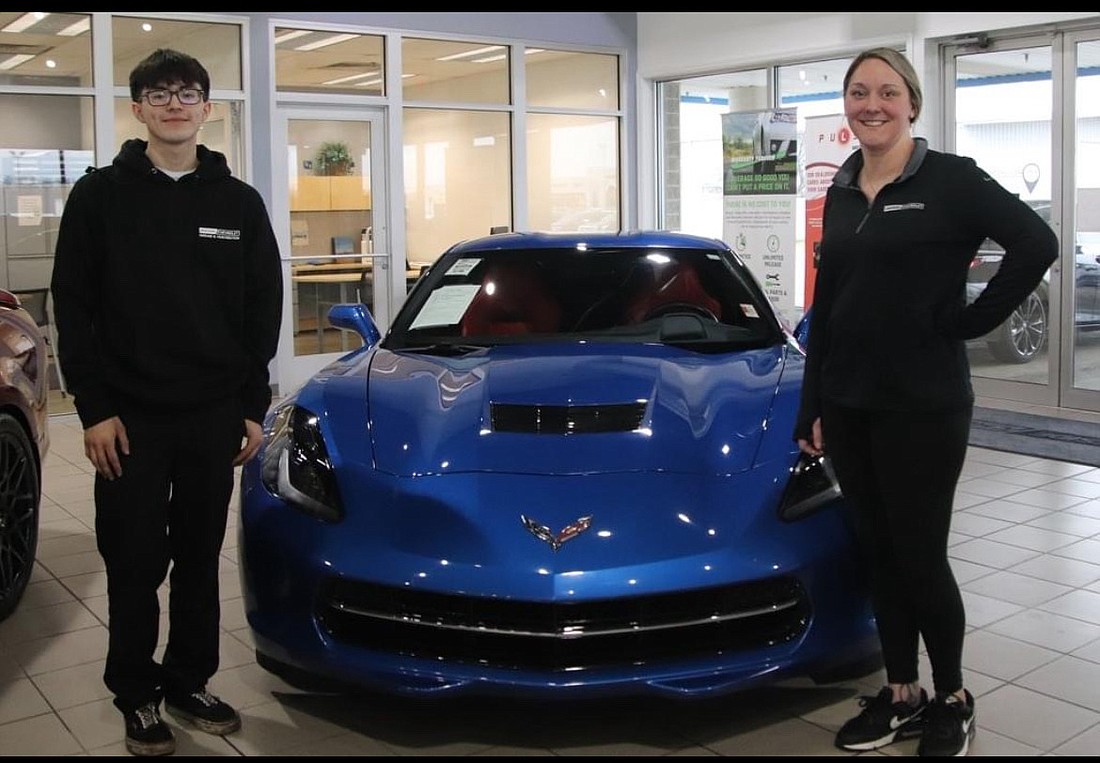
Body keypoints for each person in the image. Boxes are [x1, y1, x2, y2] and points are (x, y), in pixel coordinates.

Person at [794, 48, 1057, 758]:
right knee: (877, 551)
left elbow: (1037, 242)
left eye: (886, 91)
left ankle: (952, 696)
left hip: (924, 402)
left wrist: (971, 321)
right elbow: (831, 305)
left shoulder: (951, 180)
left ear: (911, 102)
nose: (870, 104)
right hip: (849, 401)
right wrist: (810, 403)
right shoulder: (842, 190)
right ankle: (900, 691)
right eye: (857, 92)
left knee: (919, 553)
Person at [50, 49, 283, 757]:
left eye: (187, 93)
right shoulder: (98, 197)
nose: (174, 104)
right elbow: (75, 304)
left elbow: (260, 306)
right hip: (129, 418)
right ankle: (136, 690)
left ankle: (187, 679)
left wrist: (250, 404)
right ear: (139, 108)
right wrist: (92, 408)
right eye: (159, 93)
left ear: (207, 109)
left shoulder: (237, 202)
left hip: (213, 414)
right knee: (133, 559)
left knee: (198, 556)